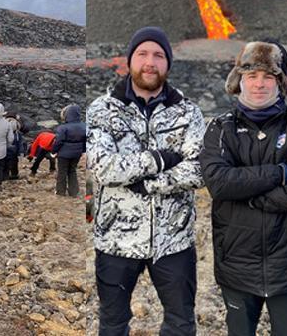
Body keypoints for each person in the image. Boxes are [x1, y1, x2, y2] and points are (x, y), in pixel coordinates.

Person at [199, 40, 287, 335]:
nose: (259, 84)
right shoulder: (220, 128)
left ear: (281, 83)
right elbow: (219, 183)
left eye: (268, 76)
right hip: (237, 267)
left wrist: (256, 199)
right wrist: (280, 172)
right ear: (239, 81)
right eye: (251, 75)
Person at [87, 26, 206, 335]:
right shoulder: (102, 109)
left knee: (180, 324)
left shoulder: (188, 112)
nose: (150, 62)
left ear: (168, 63)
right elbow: (103, 168)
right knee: (113, 324)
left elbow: (198, 169)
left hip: (174, 240)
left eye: (158, 55)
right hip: (116, 239)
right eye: (142, 54)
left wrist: (151, 183)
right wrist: (160, 159)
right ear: (129, 60)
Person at [52, 104, 86, 196]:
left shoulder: (63, 127)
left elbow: (58, 141)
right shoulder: (84, 126)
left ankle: (60, 192)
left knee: (62, 172)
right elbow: (85, 141)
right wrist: (83, 151)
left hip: (64, 154)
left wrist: (54, 151)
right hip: (77, 153)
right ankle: (74, 192)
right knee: (72, 171)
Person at [4, 115, 24, 180]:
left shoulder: (18, 134)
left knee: (13, 164)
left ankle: (13, 175)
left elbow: (20, 143)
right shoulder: (17, 134)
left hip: (10, 152)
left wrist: (21, 152)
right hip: (8, 152)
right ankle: (8, 175)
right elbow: (20, 143)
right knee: (7, 165)